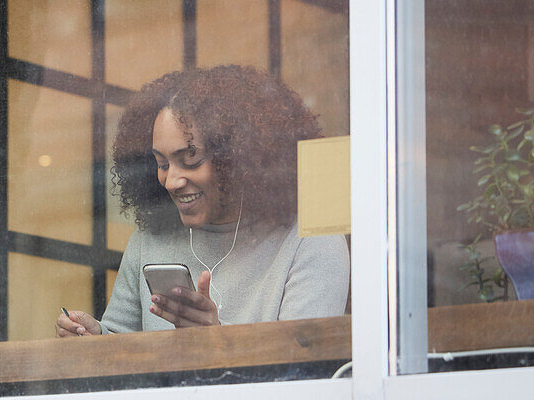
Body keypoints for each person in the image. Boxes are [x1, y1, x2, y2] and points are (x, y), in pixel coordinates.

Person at [56, 65, 349, 336]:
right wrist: (95, 338)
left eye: (191, 159)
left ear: (237, 158)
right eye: (162, 163)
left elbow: (305, 369)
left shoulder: (310, 240)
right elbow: (122, 349)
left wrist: (217, 340)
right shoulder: (148, 241)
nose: (172, 181)